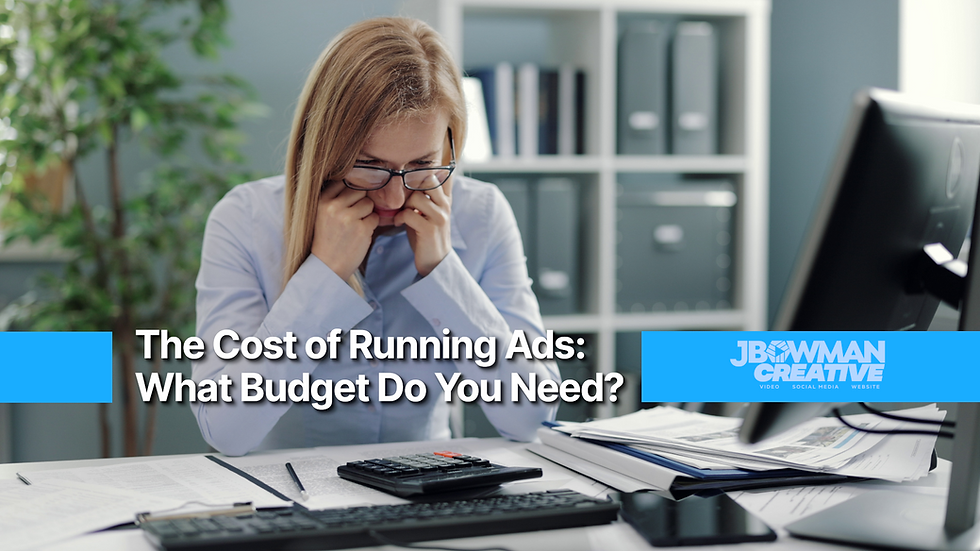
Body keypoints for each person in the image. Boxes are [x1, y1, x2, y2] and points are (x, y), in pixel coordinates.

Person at [191, 16, 560, 456]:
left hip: (429, 487)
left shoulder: (482, 213)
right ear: (325, 147)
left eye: (422, 163)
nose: (395, 193)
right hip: (288, 492)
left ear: (449, 144)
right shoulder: (245, 218)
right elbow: (226, 430)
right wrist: (323, 276)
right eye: (370, 165)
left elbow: (532, 419)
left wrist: (444, 274)